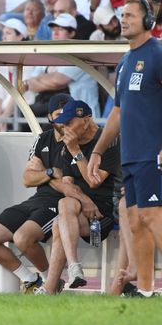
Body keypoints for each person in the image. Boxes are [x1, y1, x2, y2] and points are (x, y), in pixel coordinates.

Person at [88, 0, 162, 298]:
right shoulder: (125, 61)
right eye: (122, 15)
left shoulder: (157, 53)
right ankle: (145, 290)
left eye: (131, 15)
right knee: (134, 221)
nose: (124, 19)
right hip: (131, 156)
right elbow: (117, 113)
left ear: (148, 21)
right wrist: (97, 151)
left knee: (153, 216)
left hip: (152, 153)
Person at [0, 93, 71, 293]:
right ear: (50, 117)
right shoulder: (42, 140)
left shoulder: (76, 143)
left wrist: (42, 173)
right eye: (58, 114)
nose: (64, 119)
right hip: (36, 199)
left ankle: (51, 283)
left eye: (68, 114)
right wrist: (51, 172)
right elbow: (27, 179)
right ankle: (32, 280)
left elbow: (68, 187)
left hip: (62, 204)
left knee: (22, 238)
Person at [36, 99, 120, 294]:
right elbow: (67, 184)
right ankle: (73, 269)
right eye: (63, 124)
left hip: (104, 210)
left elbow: (94, 181)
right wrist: (84, 200)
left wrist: (76, 151)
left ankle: (52, 285)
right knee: (64, 205)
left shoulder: (109, 140)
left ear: (87, 120)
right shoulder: (67, 146)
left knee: (59, 225)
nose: (65, 129)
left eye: (69, 123)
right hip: (78, 208)